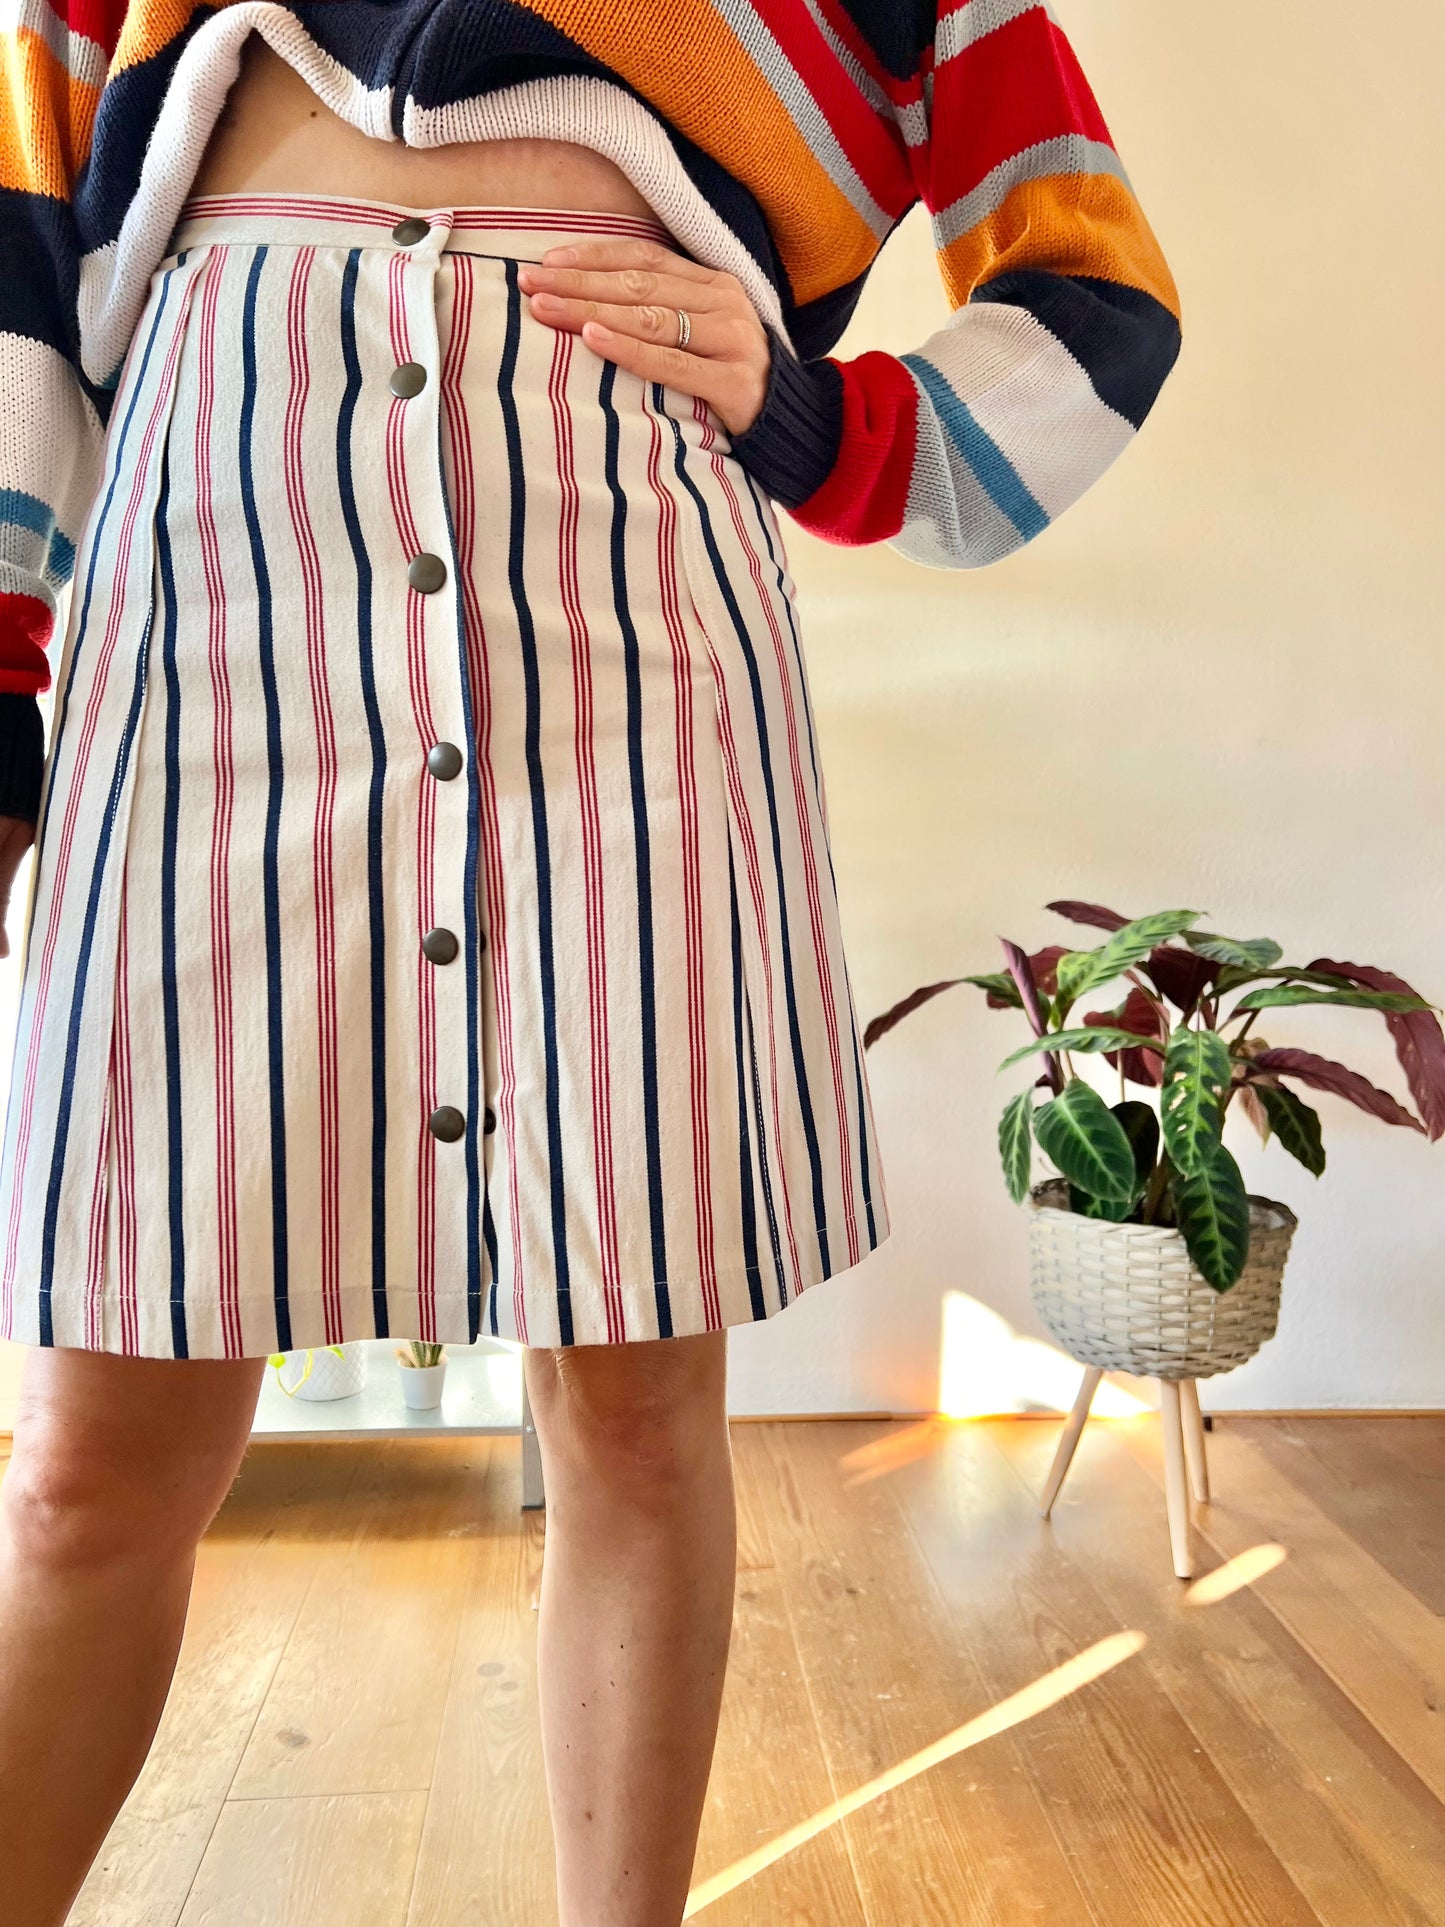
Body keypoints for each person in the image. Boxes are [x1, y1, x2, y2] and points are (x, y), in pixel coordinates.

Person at [0, 3, 1181, 1921]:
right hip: (208, 586)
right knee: (88, 1463)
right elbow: (19, 273)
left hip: (628, 607)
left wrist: (822, 415)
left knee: (632, 1412)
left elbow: (1095, 296)